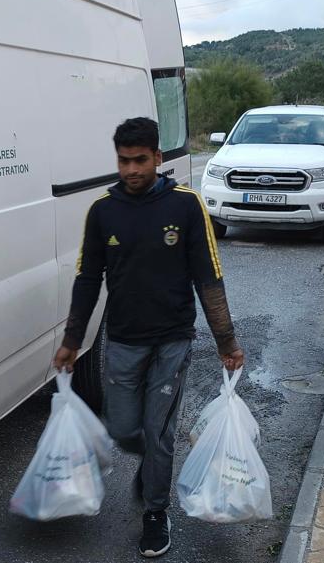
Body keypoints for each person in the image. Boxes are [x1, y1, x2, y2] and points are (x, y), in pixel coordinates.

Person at [53, 117, 244, 558]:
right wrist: (72, 340)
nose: (131, 170)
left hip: (173, 340)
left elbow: (209, 278)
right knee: (122, 429)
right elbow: (87, 279)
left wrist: (226, 341)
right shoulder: (103, 211)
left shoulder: (186, 206)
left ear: (158, 158)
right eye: (124, 161)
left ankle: (156, 512)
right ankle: (152, 463)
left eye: (140, 160)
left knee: (158, 433)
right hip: (123, 341)